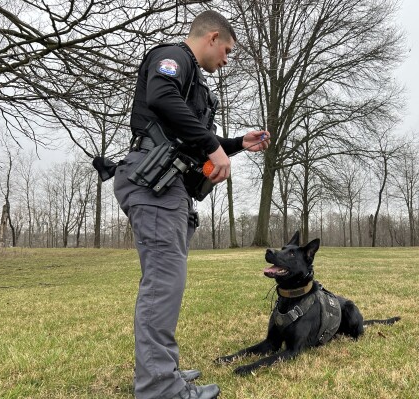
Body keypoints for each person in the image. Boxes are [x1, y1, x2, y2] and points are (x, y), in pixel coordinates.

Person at [114, 10, 270, 399]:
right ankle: (159, 387)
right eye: (228, 50)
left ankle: (163, 371)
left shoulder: (193, 80)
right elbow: (161, 97)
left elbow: (188, 136)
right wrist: (216, 148)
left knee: (166, 285)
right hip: (153, 186)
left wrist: (235, 144)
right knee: (163, 285)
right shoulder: (175, 57)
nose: (227, 59)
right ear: (213, 37)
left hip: (170, 188)